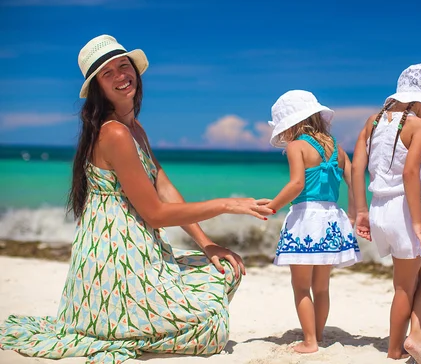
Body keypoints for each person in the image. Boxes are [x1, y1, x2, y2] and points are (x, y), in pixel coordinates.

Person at [0, 35, 274, 363]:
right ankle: (122, 325)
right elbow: (156, 214)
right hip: (116, 259)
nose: (120, 75)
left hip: (140, 248)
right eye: (107, 73)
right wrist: (228, 204)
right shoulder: (113, 133)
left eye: (123, 65)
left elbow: (163, 187)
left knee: (223, 270)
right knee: (211, 330)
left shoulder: (134, 129)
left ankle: (136, 323)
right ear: (98, 87)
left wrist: (206, 243)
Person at [351, 63, 421, 363]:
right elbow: (410, 174)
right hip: (403, 213)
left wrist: (360, 211)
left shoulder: (373, 120)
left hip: (378, 208)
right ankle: (398, 350)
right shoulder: (420, 126)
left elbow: (358, 167)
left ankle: (417, 335)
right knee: (403, 287)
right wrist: (419, 226)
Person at [266, 90, 361, 354]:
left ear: (292, 123)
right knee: (321, 287)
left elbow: (297, 184)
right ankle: (318, 334)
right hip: (332, 219)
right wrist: (354, 213)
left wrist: (273, 205)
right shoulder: (337, 148)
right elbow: (353, 179)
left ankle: (310, 341)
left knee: (300, 287)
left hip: (306, 219)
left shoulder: (296, 147)